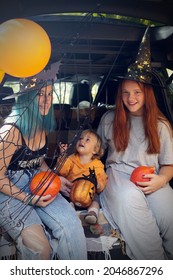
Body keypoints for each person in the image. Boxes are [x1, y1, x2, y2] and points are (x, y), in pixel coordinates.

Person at [97, 27, 173, 259]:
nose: (131, 98)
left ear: (146, 93)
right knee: (129, 201)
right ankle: (155, 264)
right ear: (120, 95)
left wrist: (161, 179)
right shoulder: (109, 119)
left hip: (152, 177)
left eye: (137, 92)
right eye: (126, 93)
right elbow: (96, 153)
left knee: (168, 210)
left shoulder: (160, 125)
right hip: (118, 175)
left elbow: (169, 166)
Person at [0, 77, 87, 260]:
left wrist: (53, 177)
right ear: (26, 97)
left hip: (36, 182)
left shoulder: (43, 125)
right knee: (40, 249)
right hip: (8, 189)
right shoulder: (11, 130)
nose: (47, 100)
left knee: (72, 226)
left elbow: (37, 161)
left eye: (49, 94)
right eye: (39, 94)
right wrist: (29, 199)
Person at [58, 129, 108, 224]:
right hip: (71, 191)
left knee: (95, 200)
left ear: (95, 150)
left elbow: (102, 178)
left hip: (88, 194)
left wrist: (98, 185)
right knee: (63, 197)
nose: (82, 141)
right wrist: (63, 155)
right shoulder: (71, 158)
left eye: (87, 140)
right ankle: (71, 211)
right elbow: (62, 171)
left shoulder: (97, 164)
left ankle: (92, 213)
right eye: (80, 138)